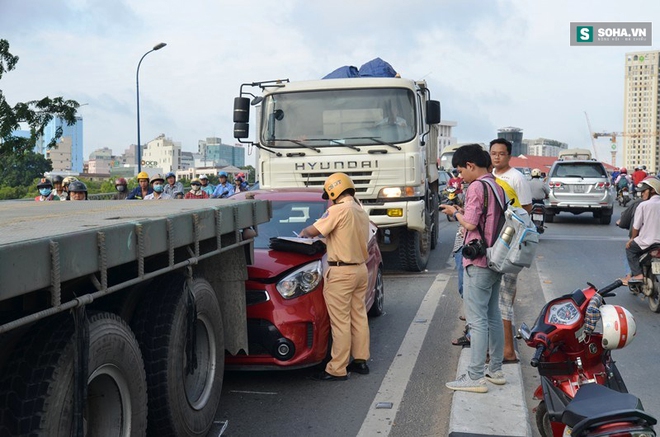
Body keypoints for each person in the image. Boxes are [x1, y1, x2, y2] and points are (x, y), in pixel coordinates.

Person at [440, 143, 506, 393]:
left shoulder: (477, 186)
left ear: (470, 165)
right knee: (492, 316)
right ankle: (495, 370)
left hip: (478, 261)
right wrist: (460, 211)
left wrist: (455, 213)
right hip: (495, 258)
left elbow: (469, 223)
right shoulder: (496, 185)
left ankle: (475, 376)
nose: (459, 176)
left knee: (477, 321)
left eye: (460, 170)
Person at [299, 172, 371, 381]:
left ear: (334, 191)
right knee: (358, 316)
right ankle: (360, 360)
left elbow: (311, 231)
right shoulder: (359, 210)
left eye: (329, 195)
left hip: (341, 272)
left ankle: (337, 368)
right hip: (360, 269)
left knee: (340, 321)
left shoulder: (338, 210)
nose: (329, 199)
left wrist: (303, 233)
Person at [489, 138, 532, 364]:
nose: (497, 157)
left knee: (503, 299)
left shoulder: (516, 178)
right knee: (500, 297)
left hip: (509, 243)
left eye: (501, 154)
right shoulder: (490, 176)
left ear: (509, 156)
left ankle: (507, 350)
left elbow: (525, 211)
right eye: (493, 153)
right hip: (494, 243)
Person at [622, 177, 660, 284]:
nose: (642, 194)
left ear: (652, 190)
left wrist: (632, 239)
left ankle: (638, 275)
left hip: (647, 242)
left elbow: (636, 226)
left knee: (630, 249)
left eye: (644, 191)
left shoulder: (643, 205)